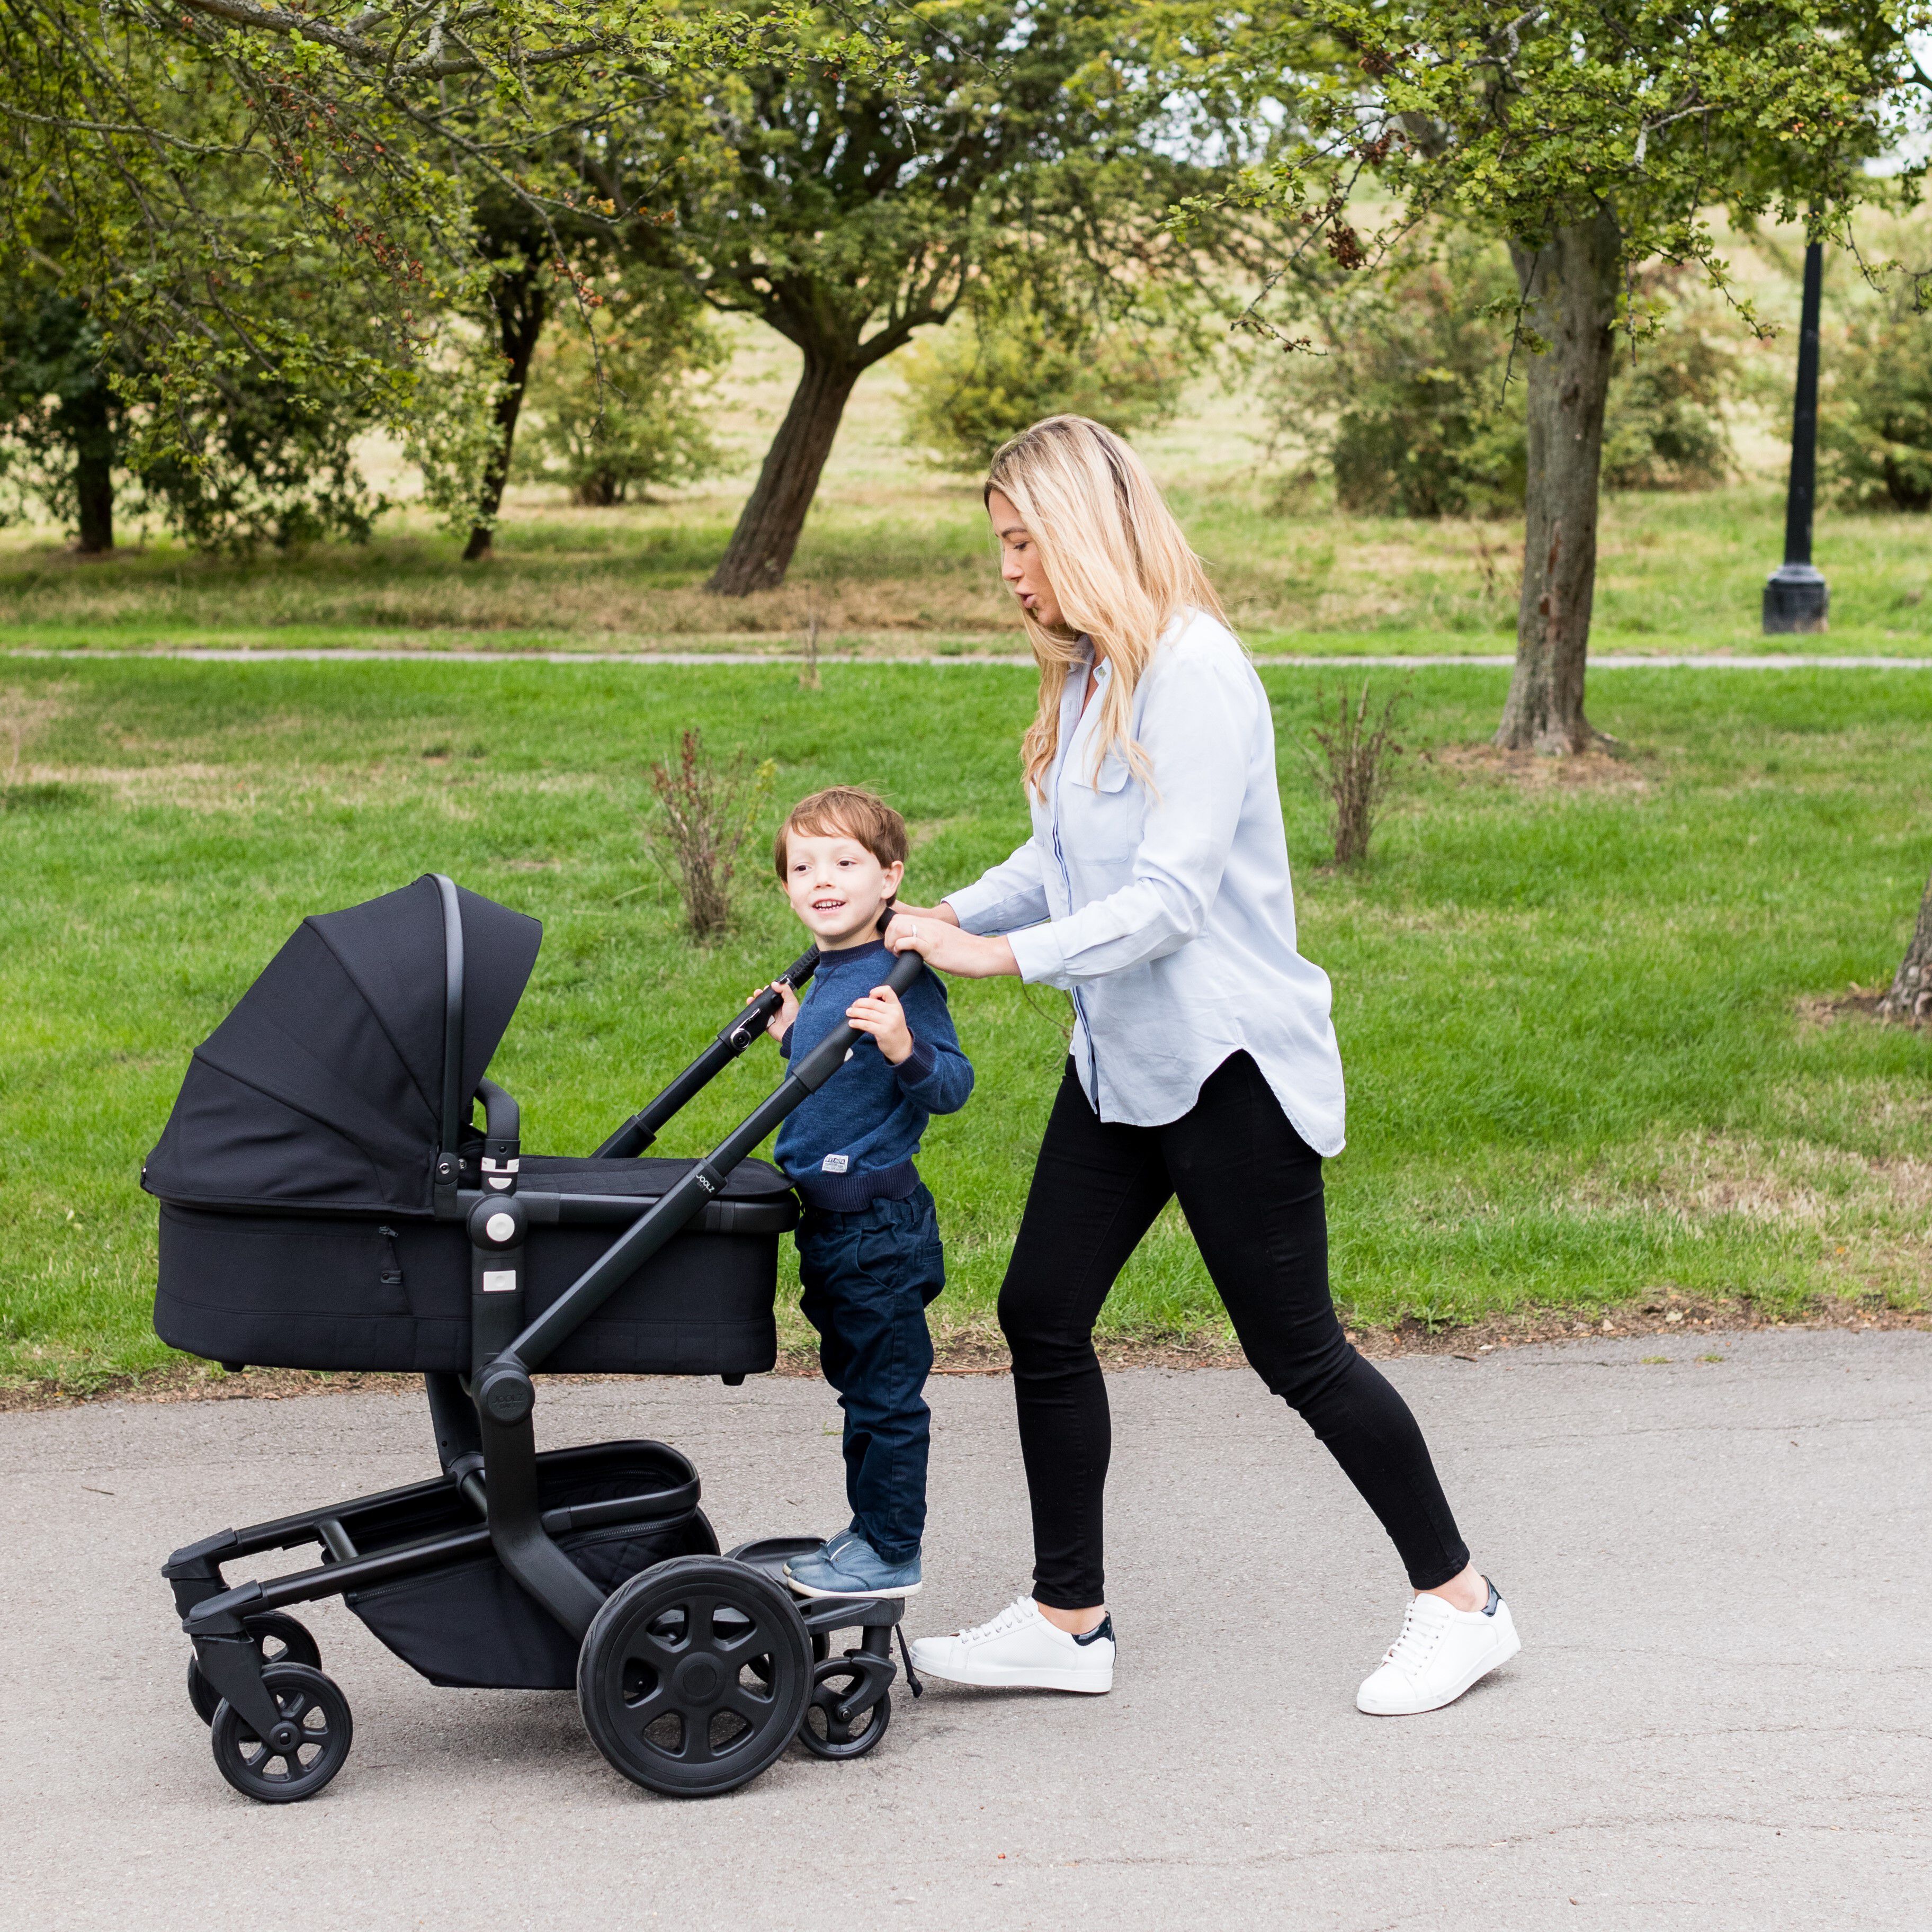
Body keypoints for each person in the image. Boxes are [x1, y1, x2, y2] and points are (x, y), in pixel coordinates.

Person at [889, 417, 1519, 1715]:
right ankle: (1069, 1623)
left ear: (1084, 529)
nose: (1009, 572)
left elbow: (1170, 899)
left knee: (1300, 1354)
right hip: (1122, 1055)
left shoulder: (1197, 671)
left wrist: (1000, 965)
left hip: (1230, 1062)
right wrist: (935, 920)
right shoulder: (1085, 673)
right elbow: (1063, 866)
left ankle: (1463, 1605)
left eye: (1023, 543)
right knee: (1041, 1313)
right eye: (998, 547)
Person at [754, 785, 974, 1600]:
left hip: (879, 1226)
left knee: (885, 1399)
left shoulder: (900, 979)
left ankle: (890, 1550)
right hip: (833, 1227)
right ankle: (868, 1532)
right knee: (859, 1391)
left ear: (890, 880)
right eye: (803, 865)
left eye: (846, 862)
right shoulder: (825, 971)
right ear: (785, 886)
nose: (823, 878)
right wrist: (790, 1040)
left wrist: (904, 1046)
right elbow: (838, 1085)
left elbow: (951, 1086)